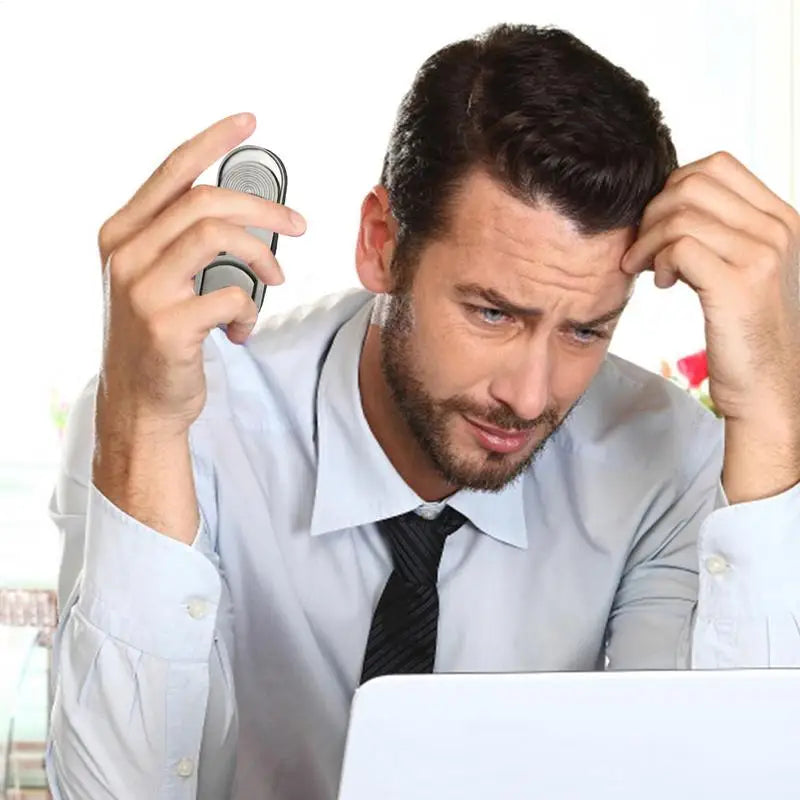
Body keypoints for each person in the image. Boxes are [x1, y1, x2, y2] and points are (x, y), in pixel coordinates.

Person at [46, 22, 800, 800]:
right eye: (492, 313)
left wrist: (774, 417)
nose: (530, 395)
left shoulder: (664, 462)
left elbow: (712, 781)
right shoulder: (184, 421)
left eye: (585, 330)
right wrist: (142, 427)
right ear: (381, 244)